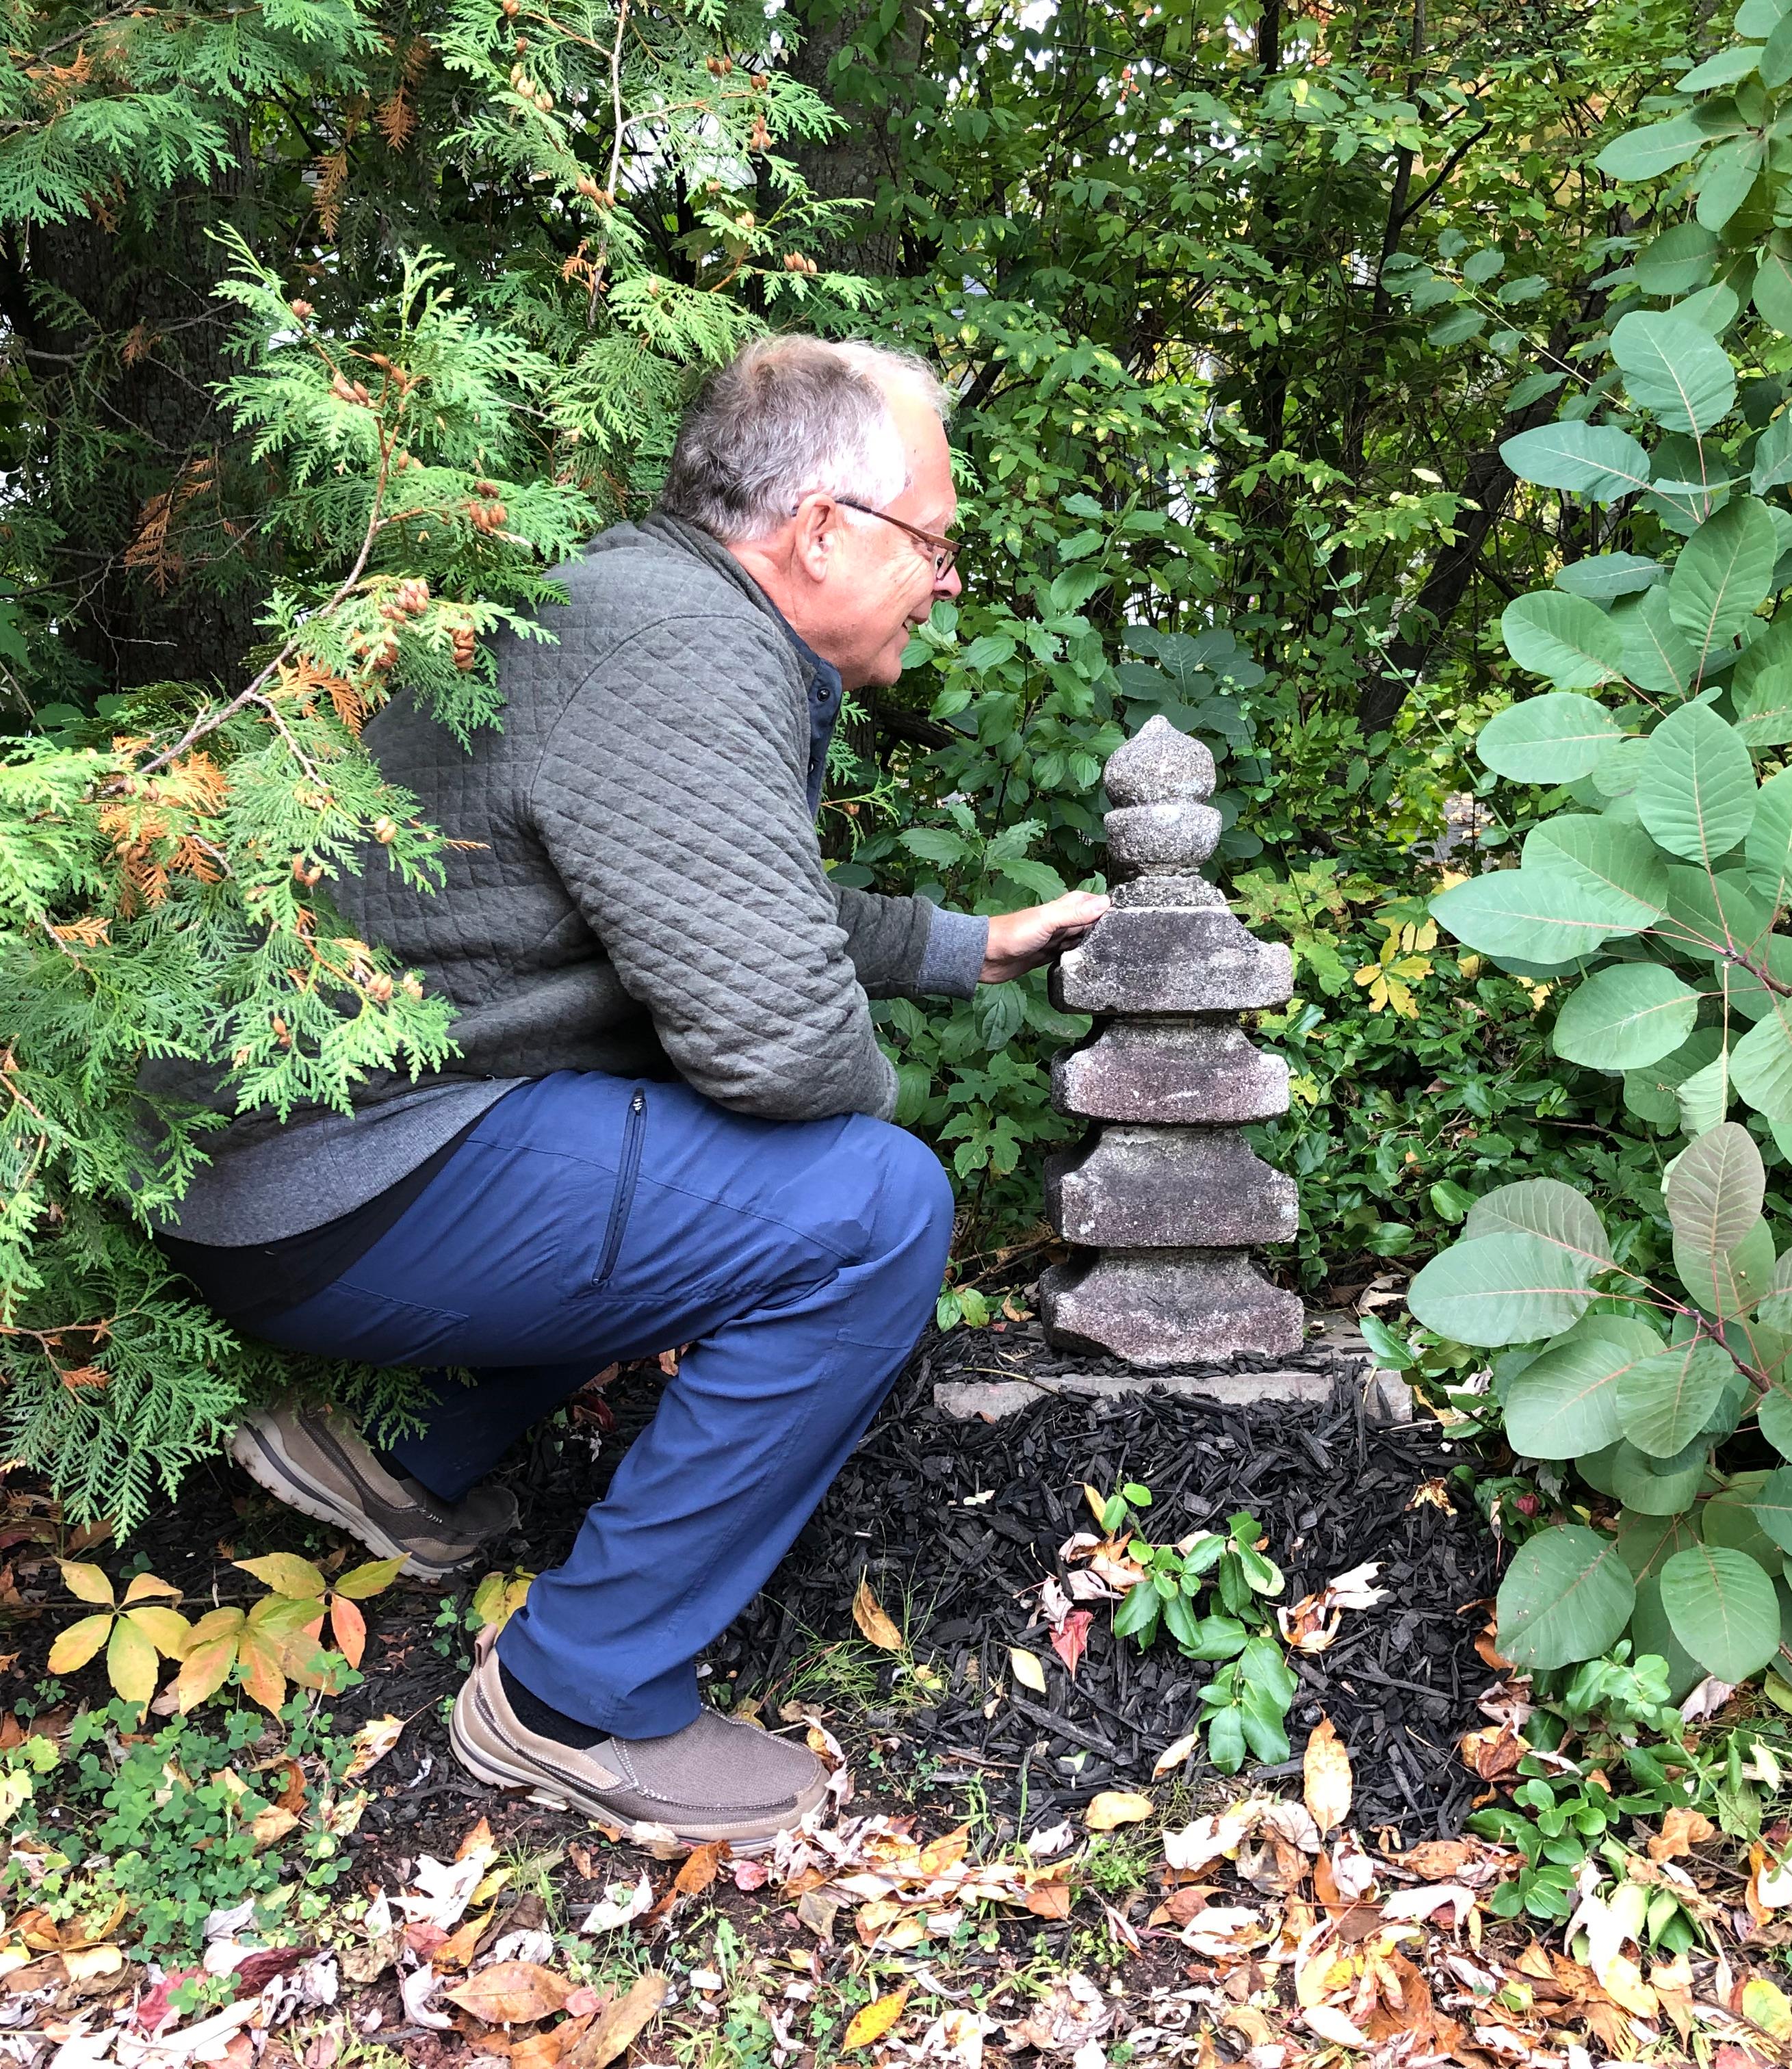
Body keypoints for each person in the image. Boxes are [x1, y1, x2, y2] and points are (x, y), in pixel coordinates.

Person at [142, 335, 1108, 1849]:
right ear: (824, 531)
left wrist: (967, 945)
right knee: (866, 1208)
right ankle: (573, 1699)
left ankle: (404, 1458)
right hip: (337, 1174)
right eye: (937, 539)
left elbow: (729, 891)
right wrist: (864, 1098)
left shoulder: (651, 610)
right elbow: (783, 1047)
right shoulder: (680, 649)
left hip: (299, 1163)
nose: (950, 579)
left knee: (695, 1154)